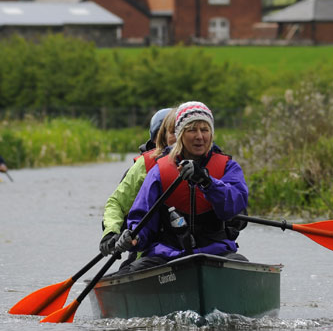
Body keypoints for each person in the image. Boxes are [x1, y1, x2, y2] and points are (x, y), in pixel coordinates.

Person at [113, 101, 249, 274]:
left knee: (241, 265)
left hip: (217, 252)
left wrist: (208, 182)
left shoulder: (228, 167)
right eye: (192, 130)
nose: (200, 136)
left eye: (205, 130)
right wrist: (134, 237)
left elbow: (234, 205)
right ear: (180, 135)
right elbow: (142, 217)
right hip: (167, 254)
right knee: (131, 272)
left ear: (211, 134)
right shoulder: (159, 171)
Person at [99, 108, 177, 258]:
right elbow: (116, 204)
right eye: (172, 132)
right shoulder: (143, 166)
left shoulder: (201, 163)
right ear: (158, 138)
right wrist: (111, 233)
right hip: (147, 249)